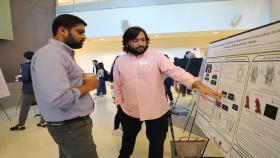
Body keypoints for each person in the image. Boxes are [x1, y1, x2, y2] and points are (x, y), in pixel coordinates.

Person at [113, 26, 221, 158]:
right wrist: (119, 104)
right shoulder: (120, 61)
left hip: (157, 112)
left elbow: (175, 71)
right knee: (126, 146)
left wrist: (196, 83)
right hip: (130, 111)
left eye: (142, 39)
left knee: (156, 146)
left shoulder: (157, 56)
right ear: (127, 43)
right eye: (135, 41)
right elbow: (117, 84)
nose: (140, 43)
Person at [31, 14, 99, 158]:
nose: (84, 36)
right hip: (70, 126)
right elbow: (58, 99)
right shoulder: (51, 55)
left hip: (71, 126)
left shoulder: (61, 54)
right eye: (80, 32)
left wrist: (81, 77)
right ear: (62, 31)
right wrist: (88, 86)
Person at [10, 51, 46, 131]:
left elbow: (26, 78)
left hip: (29, 90)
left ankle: (21, 125)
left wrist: (18, 78)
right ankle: (43, 122)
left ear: (26, 58)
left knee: (24, 108)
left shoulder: (25, 66)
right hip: (39, 89)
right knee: (43, 107)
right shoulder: (38, 64)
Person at [108, 56, 122, 135]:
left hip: (122, 94)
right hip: (118, 94)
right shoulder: (115, 70)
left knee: (123, 112)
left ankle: (122, 127)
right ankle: (116, 128)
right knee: (120, 112)